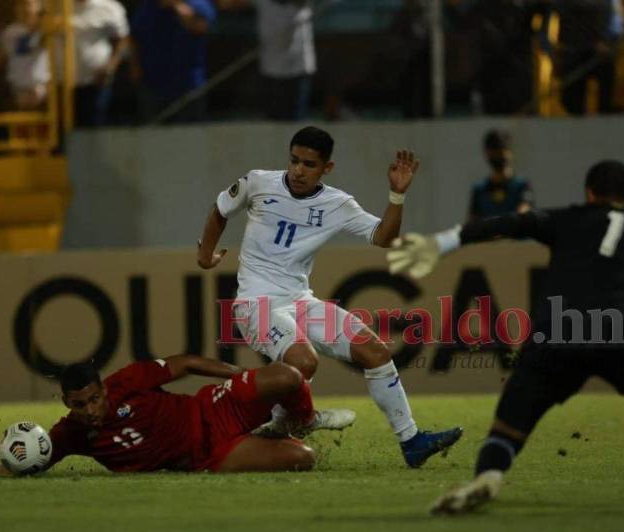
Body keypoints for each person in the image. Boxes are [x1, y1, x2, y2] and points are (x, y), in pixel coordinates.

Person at [387, 160, 624, 513]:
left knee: (510, 422)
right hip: (620, 330)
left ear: (589, 194)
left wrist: (442, 242)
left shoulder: (569, 218)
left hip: (558, 332)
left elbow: (511, 223)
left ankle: (489, 475)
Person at [197, 126, 463, 468]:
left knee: (375, 351)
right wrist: (205, 255)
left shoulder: (337, 204)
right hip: (255, 304)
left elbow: (384, 237)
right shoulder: (258, 182)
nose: (298, 170)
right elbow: (220, 209)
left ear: (327, 168)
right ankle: (286, 423)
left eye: (309, 164)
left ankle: (411, 441)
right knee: (304, 361)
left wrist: (396, 196)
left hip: (299, 301)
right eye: (294, 160)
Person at [0, 354, 356, 477]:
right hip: (209, 456)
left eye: (94, 399)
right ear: (66, 403)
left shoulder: (128, 380)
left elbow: (185, 363)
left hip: (213, 407)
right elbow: (29, 462)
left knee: (287, 376)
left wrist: (239, 377)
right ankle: (273, 434)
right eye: (79, 405)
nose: (90, 410)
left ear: (103, 390)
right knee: (304, 458)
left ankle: (300, 420)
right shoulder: (70, 434)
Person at [215, 0, 316, 121]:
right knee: (273, 121)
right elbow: (225, 2)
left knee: (297, 121)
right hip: (271, 70)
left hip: (299, 69)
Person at [131, 0, 215, 123]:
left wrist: (175, 4)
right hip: (152, 82)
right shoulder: (150, 2)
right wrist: (135, 66)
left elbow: (198, 28)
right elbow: (136, 36)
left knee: (190, 130)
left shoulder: (201, 3)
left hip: (188, 84)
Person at [558, 0, 624, 115]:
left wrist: (611, 42)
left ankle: (604, 115)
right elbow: (573, 12)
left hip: (604, 50)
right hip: (577, 51)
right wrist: (595, 41)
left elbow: (616, 20)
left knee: (605, 93)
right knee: (573, 101)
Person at [71, 0, 129, 127]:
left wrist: (110, 66)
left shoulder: (110, 7)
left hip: (95, 83)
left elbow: (122, 40)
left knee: (93, 126)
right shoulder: (54, 3)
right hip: (60, 85)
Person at [0, 0, 51, 110]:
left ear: (39, 6)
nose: (27, 8)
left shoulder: (46, 29)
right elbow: (24, 47)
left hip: (43, 87)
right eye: (23, 4)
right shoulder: (10, 31)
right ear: (17, 8)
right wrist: (42, 28)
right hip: (20, 89)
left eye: (32, 3)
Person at [468, 129, 533, 221]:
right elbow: (472, 222)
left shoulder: (522, 186)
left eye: (501, 149)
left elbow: (523, 215)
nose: (498, 155)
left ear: (509, 151)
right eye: (494, 150)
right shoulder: (479, 190)